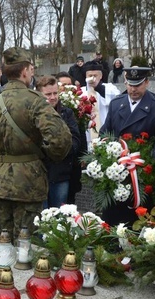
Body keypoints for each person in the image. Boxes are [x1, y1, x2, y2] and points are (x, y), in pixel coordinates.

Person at [0, 47, 72, 241]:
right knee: (27, 242)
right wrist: (45, 157)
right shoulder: (36, 102)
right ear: (25, 71)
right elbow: (60, 140)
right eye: (31, 69)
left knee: (3, 241)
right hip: (29, 181)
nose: (32, 73)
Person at [99, 67, 155, 226]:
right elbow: (105, 133)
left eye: (138, 84)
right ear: (125, 82)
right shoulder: (116, 104)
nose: (133, 89)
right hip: (117, 172)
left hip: (142, 176)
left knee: (138, 222)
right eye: (130, 84)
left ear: (147, 83)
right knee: (114, 220)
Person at [36, 75, 81, 207]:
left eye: (55, 93)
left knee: (60, 217)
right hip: (40, 175)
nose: (53, 97)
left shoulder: (67, 113)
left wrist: (60, 149)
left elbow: (76, 140)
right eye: (48, 94)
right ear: (39, 94)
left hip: (61, 174)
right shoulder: (33, 114)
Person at [56, 71, 86, 204]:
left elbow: (81, 134)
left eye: (69, 85)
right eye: (62, 85)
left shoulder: (79, 107)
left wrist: (83, 156)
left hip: (73, 162)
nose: (66, 88)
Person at [81, 60, 120, 142]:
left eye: (95, 75)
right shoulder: (81, 92)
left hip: (105, 129)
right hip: (87, 133)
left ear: (101, 76)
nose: (92, 78)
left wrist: (98, 87)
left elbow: (117, 99)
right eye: (90, 76)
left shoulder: (109, 88)